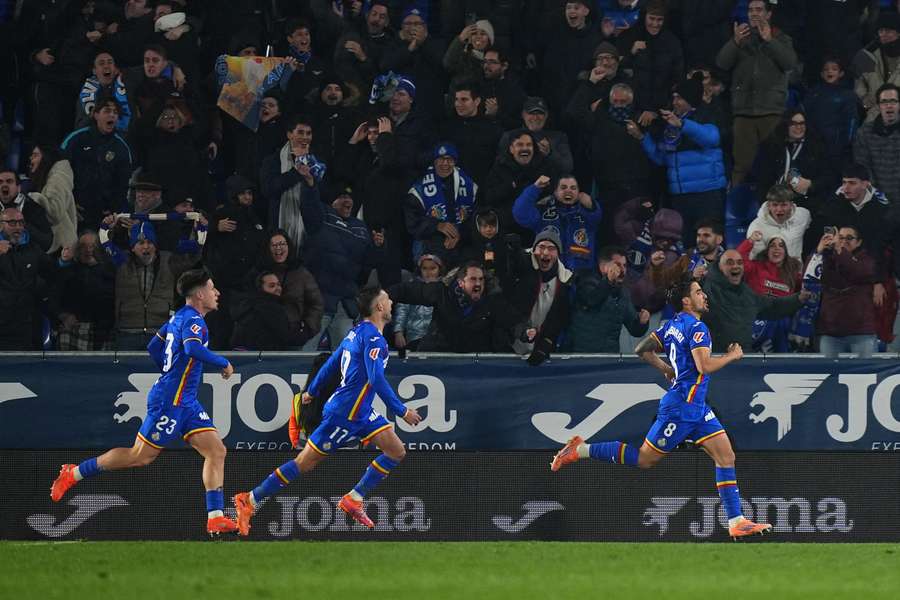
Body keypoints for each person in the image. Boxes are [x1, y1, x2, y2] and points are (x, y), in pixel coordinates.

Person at [550, 277, 774, 541]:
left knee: (726, 456)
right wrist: (732, 356)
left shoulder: (671, 325)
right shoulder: (698, 327)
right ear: (686, 301)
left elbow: (641, 348)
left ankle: (737, 522)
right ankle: (579, 449)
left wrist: (666, 369)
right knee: (644, 459)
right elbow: (704, 367)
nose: (704, 296)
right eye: (698, 292)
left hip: (697, 408)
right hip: (681, 408)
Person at [50, 269, 239, 537]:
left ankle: (215, 518)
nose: (216, 292)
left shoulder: (177, 317)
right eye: (212, 288)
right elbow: (192, 348)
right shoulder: (193, 320)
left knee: (216, 451)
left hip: (186, 402)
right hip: (170, 402)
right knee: (139, 456)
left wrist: (169, 371)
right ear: (199, 294)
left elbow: (154, 346)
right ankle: (75, 473)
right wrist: (223, 362)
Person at [232, 286, 423, 535]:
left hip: (362, 412)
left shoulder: (356, 332)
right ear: (379, 306)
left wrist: (312, 391)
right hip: (345, 414)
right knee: (304, 463)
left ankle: (354, 498)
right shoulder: (374, 339)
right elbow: (376, 379)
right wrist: (402, 411)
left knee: (396, 450)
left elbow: (332, 362)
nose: (391, 303)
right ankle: (250, 499)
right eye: (387, 299)